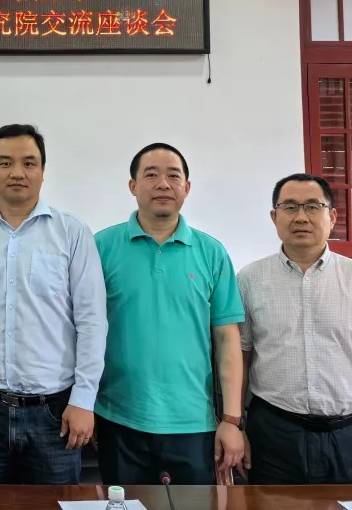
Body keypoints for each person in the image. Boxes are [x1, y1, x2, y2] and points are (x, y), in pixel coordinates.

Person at [0, 124, 107, 485]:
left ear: (43, 170)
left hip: (55, 412)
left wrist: (83, 399)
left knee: (56, 507)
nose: (17, 172)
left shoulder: (72, 233)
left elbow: (92, 322)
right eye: (5, 163)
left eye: (29, 163)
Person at [236, 173, 352, 485]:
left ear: (332, 217)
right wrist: (236, 427)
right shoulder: (249, 280)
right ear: (274, 217)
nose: (301, 217)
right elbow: (241, 360)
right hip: (273, 435)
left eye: (313, 206)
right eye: (290, 207)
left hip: (349, 438)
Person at [93, 142, 245, 486]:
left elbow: (227, 340)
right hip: (118, 418)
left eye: (173, 176)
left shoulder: (211, 253)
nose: (163, 184)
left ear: (187, 188)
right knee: (123, 507)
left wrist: (231, 420)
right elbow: (83, 331)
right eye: (151, 175)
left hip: (193, 423)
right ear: (133, 186)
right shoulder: (101, 247)